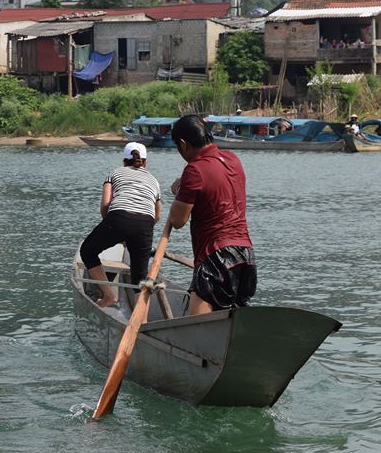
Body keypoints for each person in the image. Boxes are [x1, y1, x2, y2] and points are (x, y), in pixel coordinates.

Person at [166, 114, 256, 315]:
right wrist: (185, 185)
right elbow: (214, 182)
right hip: (245, 254)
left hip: (217, 254)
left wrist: (180, 191)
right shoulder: (233, 159)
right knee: (231, 318)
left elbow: (177, 220)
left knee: (198, 324)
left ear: (183, 144)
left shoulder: (194, 170)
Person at [79, 142, 162, 307]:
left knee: (87, 251)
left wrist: (114, 229)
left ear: (124, 161)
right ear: (145, 162)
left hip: (118, 218)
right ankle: (142, 324)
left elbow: (105, 205)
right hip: (145, 225)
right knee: (140, 280)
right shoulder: (154, 181)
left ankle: (109, 296)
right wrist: (137, 233)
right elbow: (157, 215)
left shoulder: (114, 173)